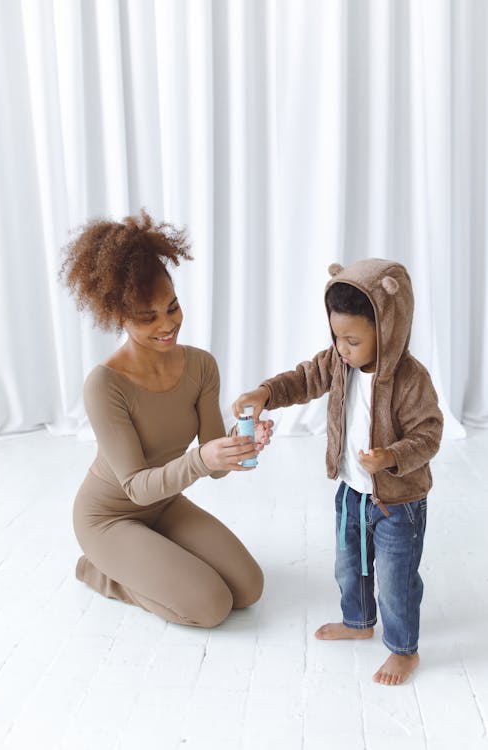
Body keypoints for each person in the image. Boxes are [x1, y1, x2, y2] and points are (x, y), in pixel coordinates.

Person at [232, 259, 443, 685]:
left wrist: (390, 457)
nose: (341, 348)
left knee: (395, 578)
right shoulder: (339, 362)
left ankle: (404, 651)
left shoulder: (409, 378)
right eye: (336, 337)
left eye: (352, 339)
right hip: (351, 491)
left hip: (397, 502)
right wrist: (266, 392)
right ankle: (359, 620)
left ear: (387, 329)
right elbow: (304, 379)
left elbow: (430, 434)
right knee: (349, 567)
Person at [61, 209, 272, 628]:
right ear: (117, 316)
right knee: (211, 606)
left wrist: (239, 443)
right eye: (148, 317)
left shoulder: (200, 366)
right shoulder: (104, 385)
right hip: (110, 517)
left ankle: (152, 557)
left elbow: (215, 470)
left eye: (172, 307)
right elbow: (137, 487)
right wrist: (203, 460)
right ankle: (103, 572)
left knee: (248, 588)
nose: (168, 324)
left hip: (165, 504)